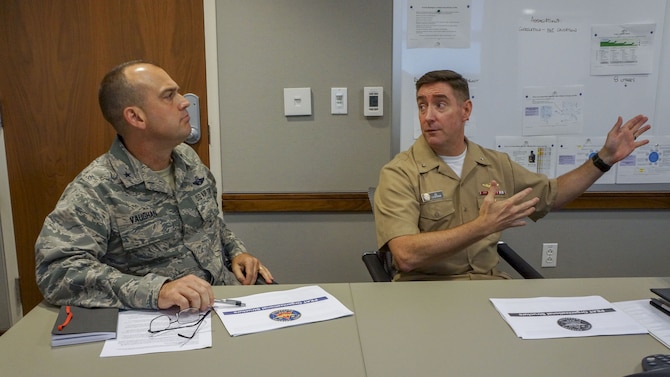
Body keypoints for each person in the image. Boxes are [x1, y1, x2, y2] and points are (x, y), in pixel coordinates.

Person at [35, 60, 274, 311]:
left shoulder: (188, 160)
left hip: (224, 297)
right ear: (136, 117)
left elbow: (211, 222)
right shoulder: (96, 189)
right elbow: (56, 272)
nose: (184, 102)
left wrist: (236, 251)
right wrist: (156, 290)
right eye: (169, 96)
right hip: (164, 320)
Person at [373, 69, 651, 281]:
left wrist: (604, 159)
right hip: (425, 292)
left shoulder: (495, 164)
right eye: (422, 105)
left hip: (488, 289)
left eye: (440, 104)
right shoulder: (400, 173)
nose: (428, 116)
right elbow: (406, 255)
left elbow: (551, 195)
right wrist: (481, 226)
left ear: (465, 110)